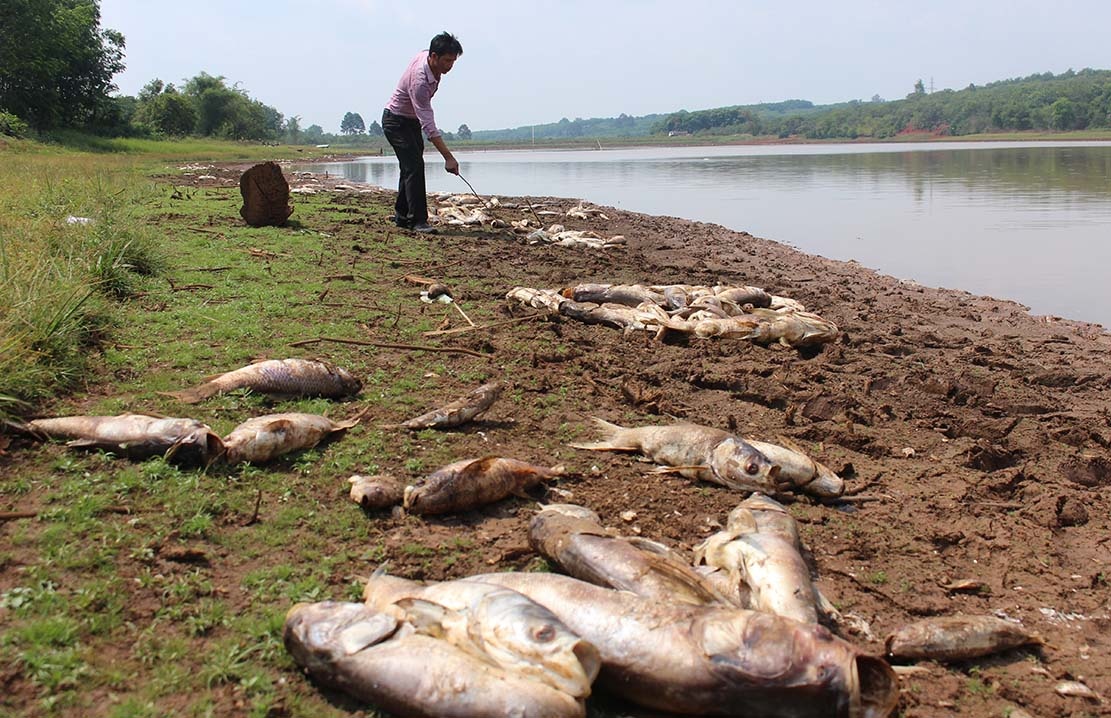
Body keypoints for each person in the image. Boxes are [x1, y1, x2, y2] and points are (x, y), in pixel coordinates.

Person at [382, 32, 462, 234]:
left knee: (410, 165)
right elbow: (429, 125)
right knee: (415, 166)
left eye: (453, 61)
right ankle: (417, 221)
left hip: (410, 120)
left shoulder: (427, 58)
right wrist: (448, 158)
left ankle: (402, 216)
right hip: (396, 121)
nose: (450, 66)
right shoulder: (420, 82)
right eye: (446, 60)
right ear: (433, 56)